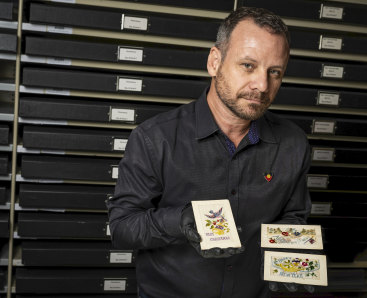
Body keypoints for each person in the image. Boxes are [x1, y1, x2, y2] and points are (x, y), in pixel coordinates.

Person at [107, 6, 311, 298]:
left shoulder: (294, 144)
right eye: (248, 66)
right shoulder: (155, 138)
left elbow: (293, 217)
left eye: (274, 72)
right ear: (215, 62)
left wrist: (290, 259)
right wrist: (182, 221)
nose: (262, 85)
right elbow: (122, 228)